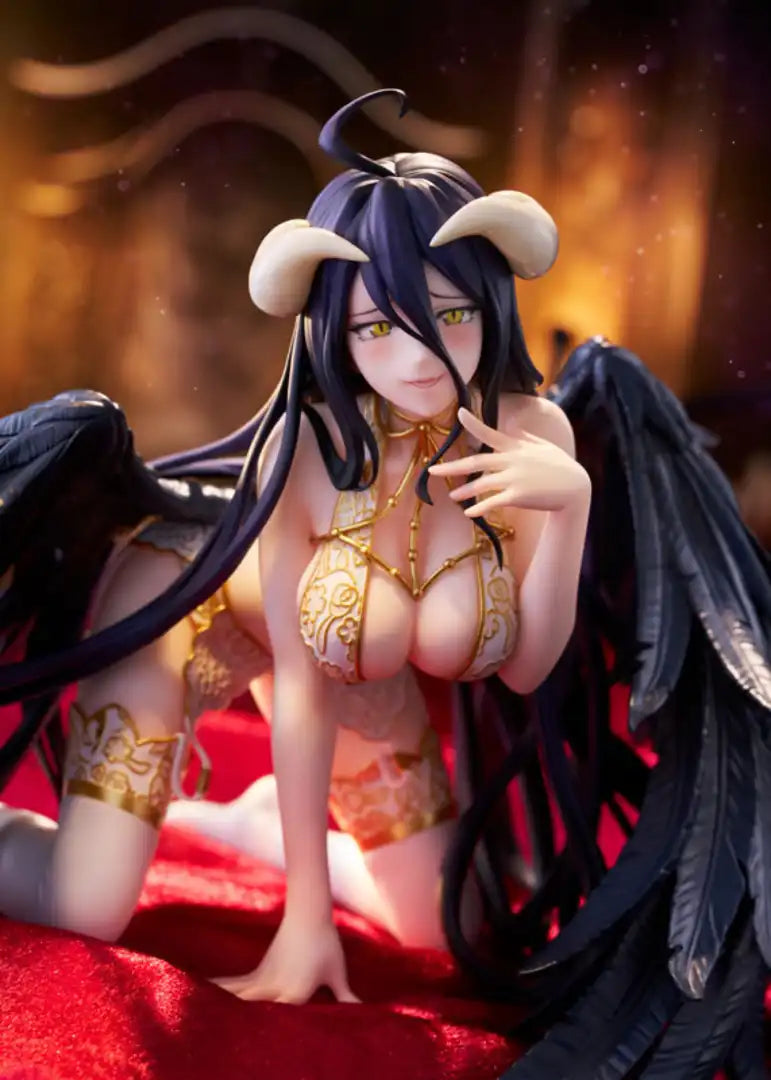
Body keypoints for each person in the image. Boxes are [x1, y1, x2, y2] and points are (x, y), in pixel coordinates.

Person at [0, 90, 768, 1077]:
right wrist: (304, 922)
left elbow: (527, 672)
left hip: (353, 658)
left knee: (457, 932)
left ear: (491, 298)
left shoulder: (536, 435)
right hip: (183, 615)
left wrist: (570, 506)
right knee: (84, 906)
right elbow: (302, 691)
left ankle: (259, 824)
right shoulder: (308, 445)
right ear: (332, 326)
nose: (416, 358)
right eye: (375, 328)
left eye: (449, 315)